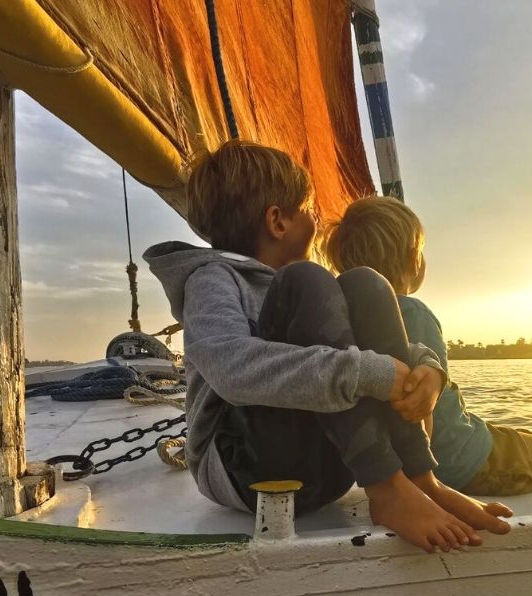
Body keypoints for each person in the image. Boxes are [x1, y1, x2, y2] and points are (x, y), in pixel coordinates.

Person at [146, 140, 511, 553]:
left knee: (366, 283)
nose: (315, 222)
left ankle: (419, 478)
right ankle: (388, 489)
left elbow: (363, 343)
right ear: (278, 222)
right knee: (306, 279)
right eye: (308, 210)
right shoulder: (213, 281)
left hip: (329, 466)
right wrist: (367, 374)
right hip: (249, 472)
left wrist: (427, 370)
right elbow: (233, 370)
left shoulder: (309, 292)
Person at [322, 196, 532, 496]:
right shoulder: (413, 313)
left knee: (531, 440)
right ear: (413, 261)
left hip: (430, 456)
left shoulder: (341, 324)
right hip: (465, 464)